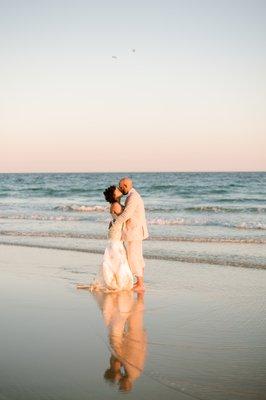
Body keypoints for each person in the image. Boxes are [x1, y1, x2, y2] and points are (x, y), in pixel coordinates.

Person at [77, 185, 133, 291]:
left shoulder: (116, 204)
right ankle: (116, 280)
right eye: (117, 190)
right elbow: (125, 217)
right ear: (114, 195)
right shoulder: (116, 205)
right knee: (117, 254)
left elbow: (118, 218)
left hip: (115, 231)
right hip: (115, 232)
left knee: (118, 253)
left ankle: (118, 279)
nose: (119, 190)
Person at [109, 178, 148, 292]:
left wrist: (115, 224)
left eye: (120, 187)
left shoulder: (133, 197)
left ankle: (140, 284)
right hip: (134, 231)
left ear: (125, 186)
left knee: (134, 257)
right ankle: (139, 282)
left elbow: (126, 214)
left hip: (134, 232)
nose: (120, 189)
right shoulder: (132, 196)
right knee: (136, 256)